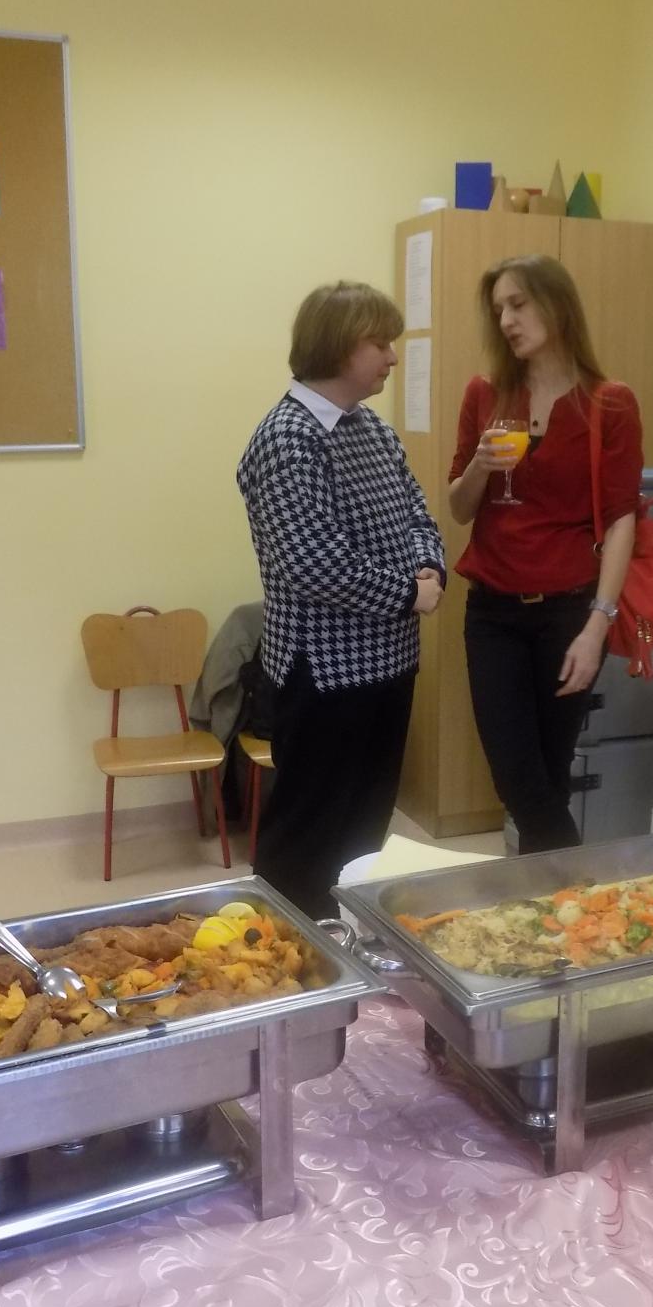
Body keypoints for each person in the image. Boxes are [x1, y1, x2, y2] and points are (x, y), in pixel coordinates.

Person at [236, 282, 446, 921]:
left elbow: (417, 513)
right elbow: (313, 564)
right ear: (337, 345)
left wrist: (429, 564)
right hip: (324, 676)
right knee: (307, 833)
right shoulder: (287, 437)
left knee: (364, 832)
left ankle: (349, 941)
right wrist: (410, 593)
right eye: (380, 343)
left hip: (389, 663)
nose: (392, 357)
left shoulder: (371, 428)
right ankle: (283, 951)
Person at [447, 254, 640, 856]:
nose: (506, 320)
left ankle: (545, 900)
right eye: (499, 309)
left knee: (549, 776)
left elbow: (622, 519)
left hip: (570, 615)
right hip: (493, 614)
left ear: (557, 305)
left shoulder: (610, 403)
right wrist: (481, 465)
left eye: (518, 304)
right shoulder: (485, 393)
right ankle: (580, 889)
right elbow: (458, 508)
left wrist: (597, 626)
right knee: (520, 780)